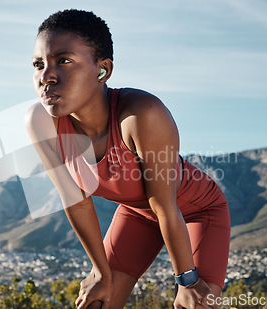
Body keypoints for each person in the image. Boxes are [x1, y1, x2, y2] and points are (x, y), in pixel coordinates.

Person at [25, 9, 230, 309]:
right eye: (38, 64)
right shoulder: (41, 122)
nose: (46, 76)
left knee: (195, 305)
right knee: (97, 303)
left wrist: (187, 280)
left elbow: (164, 205)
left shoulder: (141, 114)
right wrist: (100, 272)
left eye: (64, 61)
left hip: (196, 213)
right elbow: (76, 201)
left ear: (103, 70)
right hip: (137, 214)